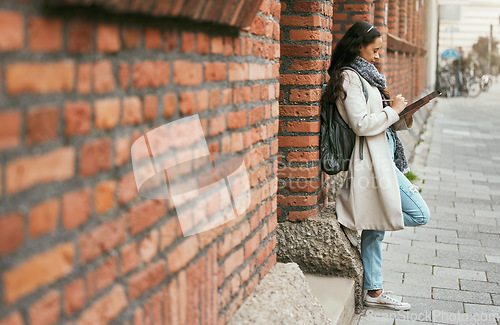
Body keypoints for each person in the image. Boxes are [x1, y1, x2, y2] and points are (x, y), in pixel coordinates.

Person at [323, 21, 430, 311]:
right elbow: (360, 124)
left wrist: (398, 114)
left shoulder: (364, 75)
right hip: (372, 161)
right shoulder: (349, 77)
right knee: (420, 213)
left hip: (383, 156)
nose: (379, 56)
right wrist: (391, 110)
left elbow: (374, 117)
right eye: (376, 49)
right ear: (359, 46)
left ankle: (373, 291)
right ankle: (367, 222)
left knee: (375, 229)